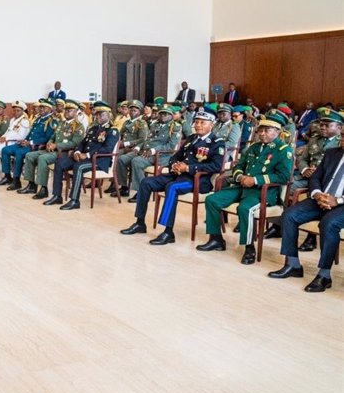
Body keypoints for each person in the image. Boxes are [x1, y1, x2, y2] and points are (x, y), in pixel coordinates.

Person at [196, 109, 293, 264]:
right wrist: (240, 176)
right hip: (242, 186)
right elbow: (238, 166)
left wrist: (255, 180)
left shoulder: (283, 150)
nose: (261, 133)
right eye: (260, 130)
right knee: (212, 200)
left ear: (277, 131)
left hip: (263, 192)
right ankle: (216, 239)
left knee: (244, 209)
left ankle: (249, 248)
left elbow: (284, 177)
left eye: (266, 130)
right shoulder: (254, 147)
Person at [120, 109, 225, 244]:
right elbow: (176, 155)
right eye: (197, 122)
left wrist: (188, 168)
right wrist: (174, 164)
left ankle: (168, 232)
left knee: (172, 187)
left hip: (197, 180)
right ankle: (140, 223)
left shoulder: (217, 142)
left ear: (212, 125)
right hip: (177, 174)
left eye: (202, 122)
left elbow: (216, 166)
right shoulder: (192, 139)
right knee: (146, 182)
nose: (198, 125)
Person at [267, 110, 344, 292]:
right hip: (322, 198)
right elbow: (316, 177)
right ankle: (293, 264)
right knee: (289, 215)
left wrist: (338, 200)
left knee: (329, 223)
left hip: (340, 203)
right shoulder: (333, 153)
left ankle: (324, 275)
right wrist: (317, 194)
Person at [43, 102, 119, 210]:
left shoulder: (112, 130)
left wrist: (87, 154)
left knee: (78, 167)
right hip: (84, 158)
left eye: (101, 114)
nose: (97, 116)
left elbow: (107, 149)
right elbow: (82, 143)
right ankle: (57, 196)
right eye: (96, 114)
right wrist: (78, 152)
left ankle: (74, 200)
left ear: (109, 115)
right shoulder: (93, 129)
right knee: (59, 163)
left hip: (99, 161)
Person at [18, 99, 85, 199]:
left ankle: (43, 189)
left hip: (64, 153)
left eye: (70, 110)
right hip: (53, 150)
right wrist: (49, 143)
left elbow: (74, 143)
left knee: (43, 158)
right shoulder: (61, 123)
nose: (66, 112)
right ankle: (31, 185)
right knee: (29, 155)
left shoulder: (78, 126)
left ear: (76, 112)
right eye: (66, 110)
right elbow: (53, 137)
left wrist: (57, 146)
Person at [116, 103, 182, 202]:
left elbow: (171, 146)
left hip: (161, 155)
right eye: (161, 114)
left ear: (171, 116)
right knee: (122, 159)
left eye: (166, 114)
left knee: (137, 162)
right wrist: (138, 147)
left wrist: (153, 150)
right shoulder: (154, 124)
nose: (163, 116)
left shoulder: (175, 127)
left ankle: (141, 193)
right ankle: (124, 187)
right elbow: (147, 140)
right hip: (146, 151)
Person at [0, 98, 56, 190]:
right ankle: (7, 177)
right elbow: (31, 133)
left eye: (44, 107)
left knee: (19, 152)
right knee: (5, 150)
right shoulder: (38, 119)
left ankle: (16, 180)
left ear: (50, 109)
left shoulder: (51, 121)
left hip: (36, 146)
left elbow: (47, 138)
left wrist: (30, 142)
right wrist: (25, 140)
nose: (41, 109)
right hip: (27, 143)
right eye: (41, 107)